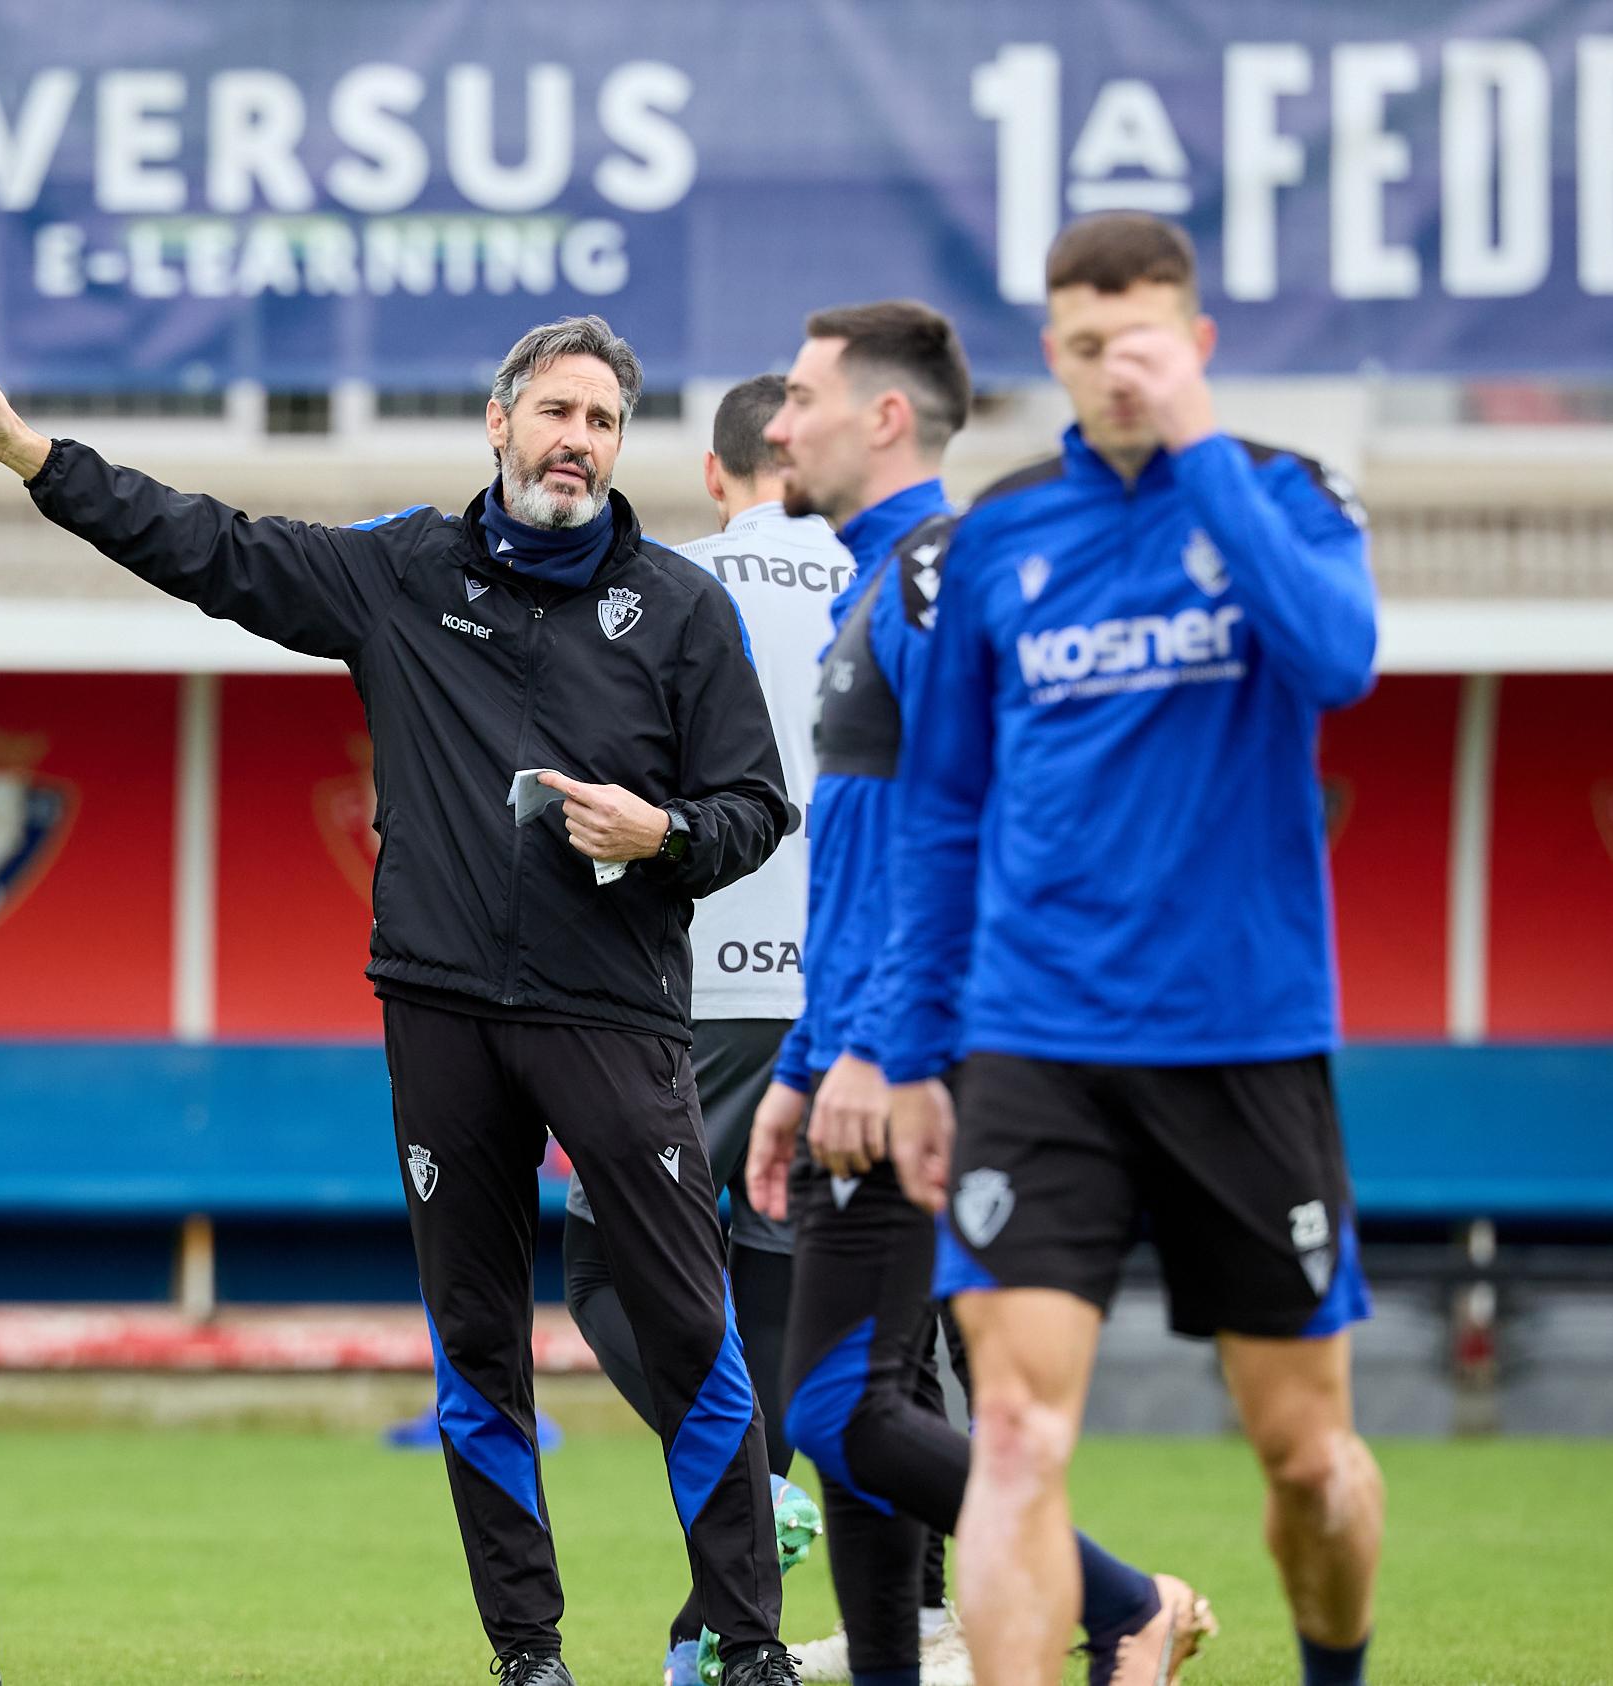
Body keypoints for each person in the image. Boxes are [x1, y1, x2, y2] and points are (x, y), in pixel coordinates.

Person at [0, 308, 799, 1686]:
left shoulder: (681, 606)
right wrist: (36, 457)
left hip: (615, 1017)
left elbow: (756, 806)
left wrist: (664, 835)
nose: (578, 442)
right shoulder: (403, 569)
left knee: (692, 1328)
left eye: (603, 423)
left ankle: (749, 1644)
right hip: (440, 1011)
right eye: (556, 412)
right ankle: (527, 1655)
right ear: (497, 422)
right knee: (477, 1345)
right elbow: (206, 543)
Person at [870, 213, 1384, 1686]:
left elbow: (1337, 659)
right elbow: (943, 808)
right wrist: (914, 1055)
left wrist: (1203, 447)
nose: (1116, 370)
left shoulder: (1285, 492)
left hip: (1244, 1040)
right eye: (1088, 348)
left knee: (1307, 1458)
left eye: (1145, 342)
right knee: (1018, 1436)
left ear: (1198, 342)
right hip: (1036, 1046)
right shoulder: (999, 534)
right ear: (1053, 353)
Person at [750, 300, 1207, 1686]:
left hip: (920, 1060)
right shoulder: (868, 584)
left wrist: (886, 1048)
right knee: (860, 1412)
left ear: (887, 416)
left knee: (838, 1408)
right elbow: (869, 855)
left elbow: (973, 833)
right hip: (853, 1050)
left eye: (802, 398)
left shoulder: (941, 576)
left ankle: (1123, 1601)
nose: (776, 426)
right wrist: (798, 1060)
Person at [551, 372, 832, 1686]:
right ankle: (727, 1609)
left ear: (719, 471)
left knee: (607, 1266)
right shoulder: (876, 576)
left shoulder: (669, 582)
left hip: (699, 987)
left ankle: (749, 1493)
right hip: (844, 991)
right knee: (770, 1258)